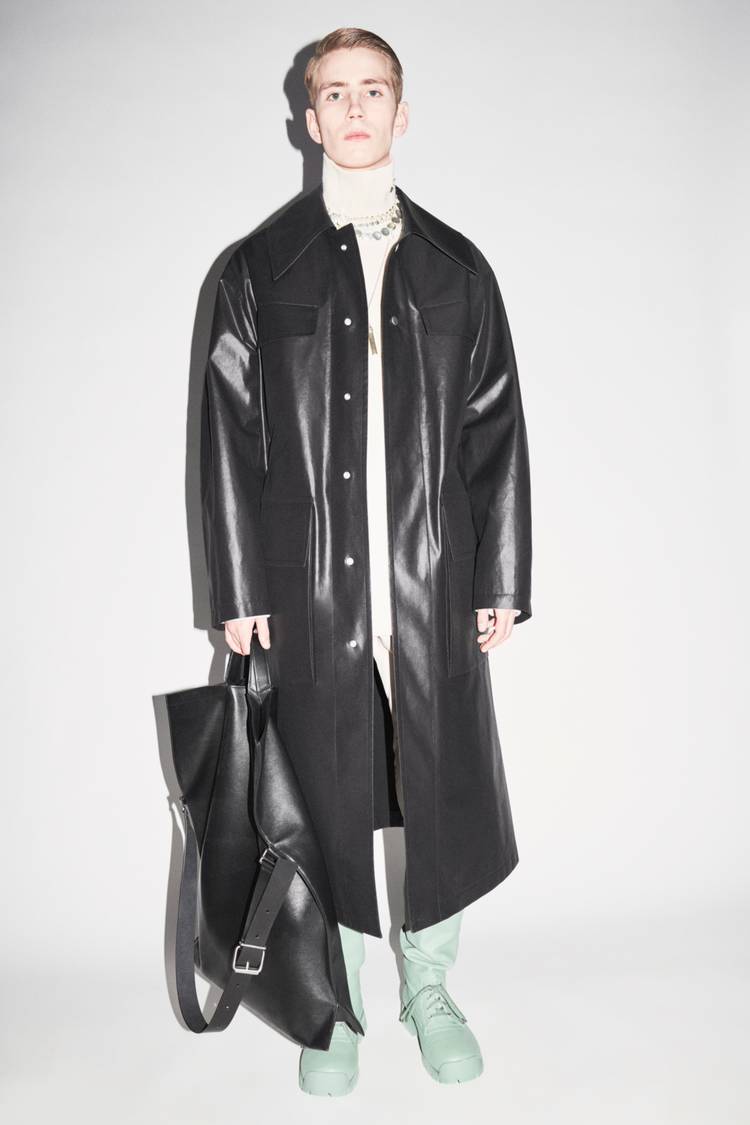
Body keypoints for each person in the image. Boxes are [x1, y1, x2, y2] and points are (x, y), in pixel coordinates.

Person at [200, 26, 532, 1095]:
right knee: (325, 797)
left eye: (372, 90)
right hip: (311, 592)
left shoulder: (456, 267)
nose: (353, 108)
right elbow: (226, 437)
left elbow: (495, 426)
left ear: (402, 111)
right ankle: (334, 1001)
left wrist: (500, 575)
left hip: (431, 582)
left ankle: (428, 988)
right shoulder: (261, 268)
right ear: (308, 118)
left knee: (440, 793)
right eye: (333, 93)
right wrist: (240, 588)